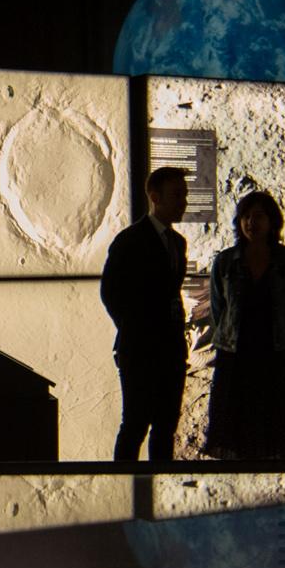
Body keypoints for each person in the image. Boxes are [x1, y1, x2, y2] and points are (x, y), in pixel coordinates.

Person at [206, 188, 285, 459]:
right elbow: (218, 309)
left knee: (277, 418)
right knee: (237, 420)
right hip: (237, 353)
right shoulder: (226, 261)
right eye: (246, 217)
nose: (252, 222)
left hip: (277, 351)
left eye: (259, 216)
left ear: (272, 220)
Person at [99, 165, 190, 462]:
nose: (183, 202)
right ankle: (127, 490)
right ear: (155, 197)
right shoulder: (130, 240)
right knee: (136, 424)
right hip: (140, 348)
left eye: (184, 195)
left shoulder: (177, 243)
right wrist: (134, 327)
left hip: (170, 348)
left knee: (165, 426)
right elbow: (110, 292)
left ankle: (154, 488)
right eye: (177, 195)